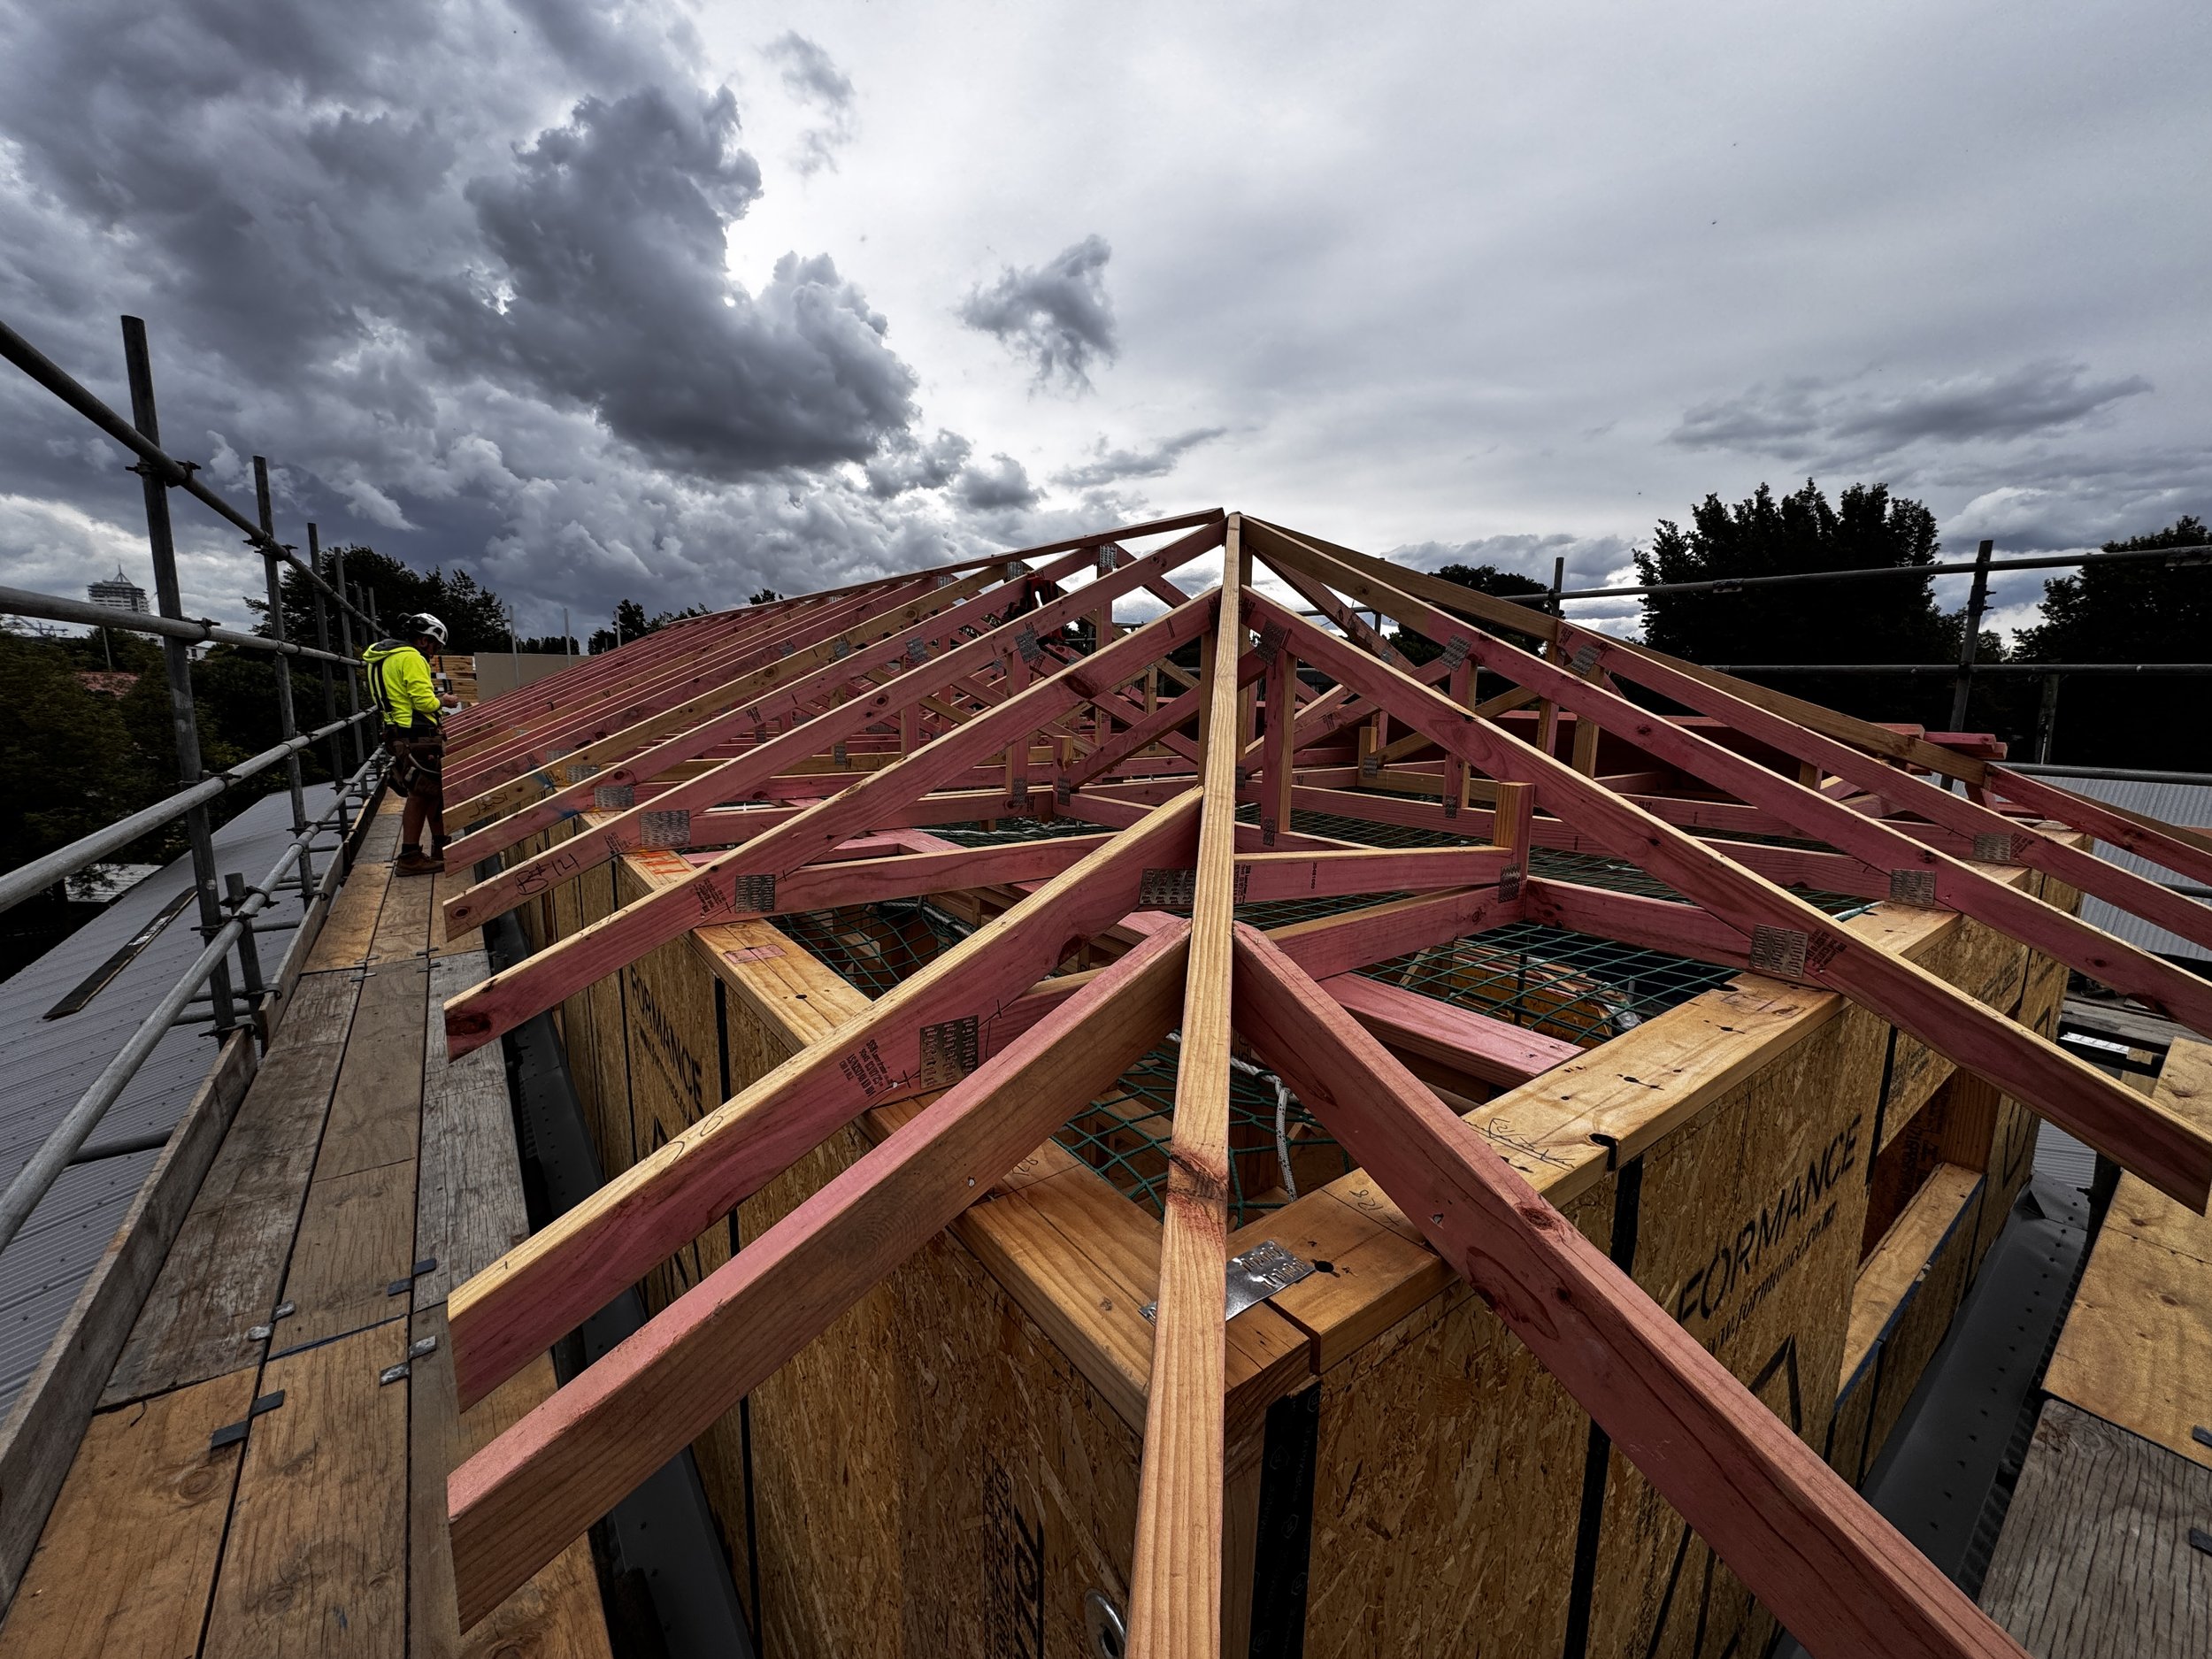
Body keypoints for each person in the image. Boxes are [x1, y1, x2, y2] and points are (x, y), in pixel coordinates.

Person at [364, 613, 460, 875]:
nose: (434, 652)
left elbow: (402, 695)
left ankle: (441, 847)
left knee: (430, 792)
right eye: (435, 646)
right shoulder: (412, 657)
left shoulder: (382, 658)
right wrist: (444, 701)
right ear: (423, 640)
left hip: (398, 732)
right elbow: (423, 703)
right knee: (421, 795)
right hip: (416, 733)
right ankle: (410, 856)